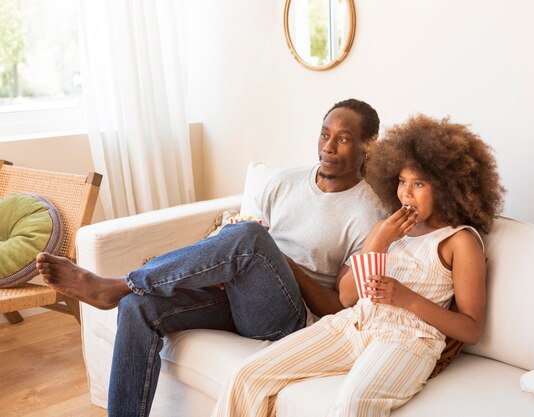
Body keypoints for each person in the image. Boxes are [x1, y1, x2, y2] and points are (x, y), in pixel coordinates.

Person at [35, 98, 388, 417]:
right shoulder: (285, 181)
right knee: (137, 308)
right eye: (325, 134)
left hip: (289, 318)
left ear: (366, 147)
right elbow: (241, 238)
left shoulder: (366, 212)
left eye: (342, 139)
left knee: (251, 237)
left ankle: (118, 284)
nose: (327, 147)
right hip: (238, 294)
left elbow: (340, 308)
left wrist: (284, 263)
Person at [211, 114, 506, 417]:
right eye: (402, 182)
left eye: (419, 184)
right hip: (353, 323)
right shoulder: (387, 227)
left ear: (446, 187)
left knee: (354, 404)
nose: (406, 193)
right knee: (246, 376)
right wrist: (379, 240)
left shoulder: (460, 241)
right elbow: (349, 298)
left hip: (408, 340)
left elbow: (471, 328)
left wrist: (406, 298)